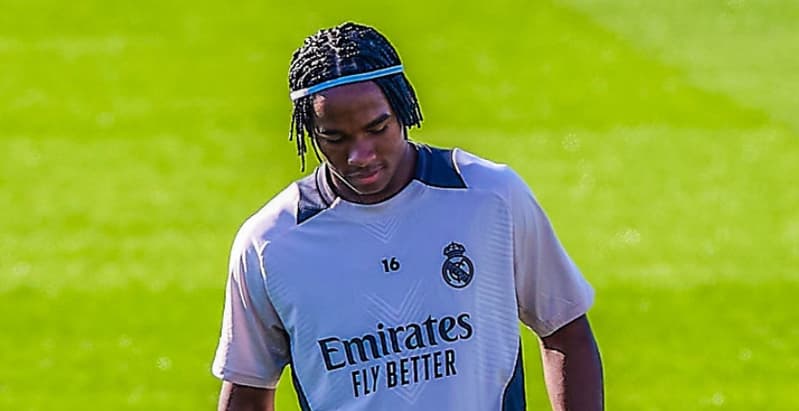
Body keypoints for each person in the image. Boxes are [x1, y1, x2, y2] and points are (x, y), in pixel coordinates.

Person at [212, 22, 604, 411]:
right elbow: (247, 391)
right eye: (335, 138)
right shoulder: (270, 244)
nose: (360, 156)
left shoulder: (489, 197)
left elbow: (564, 330)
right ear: (310, 133)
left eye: (377, 128)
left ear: (403, 110)